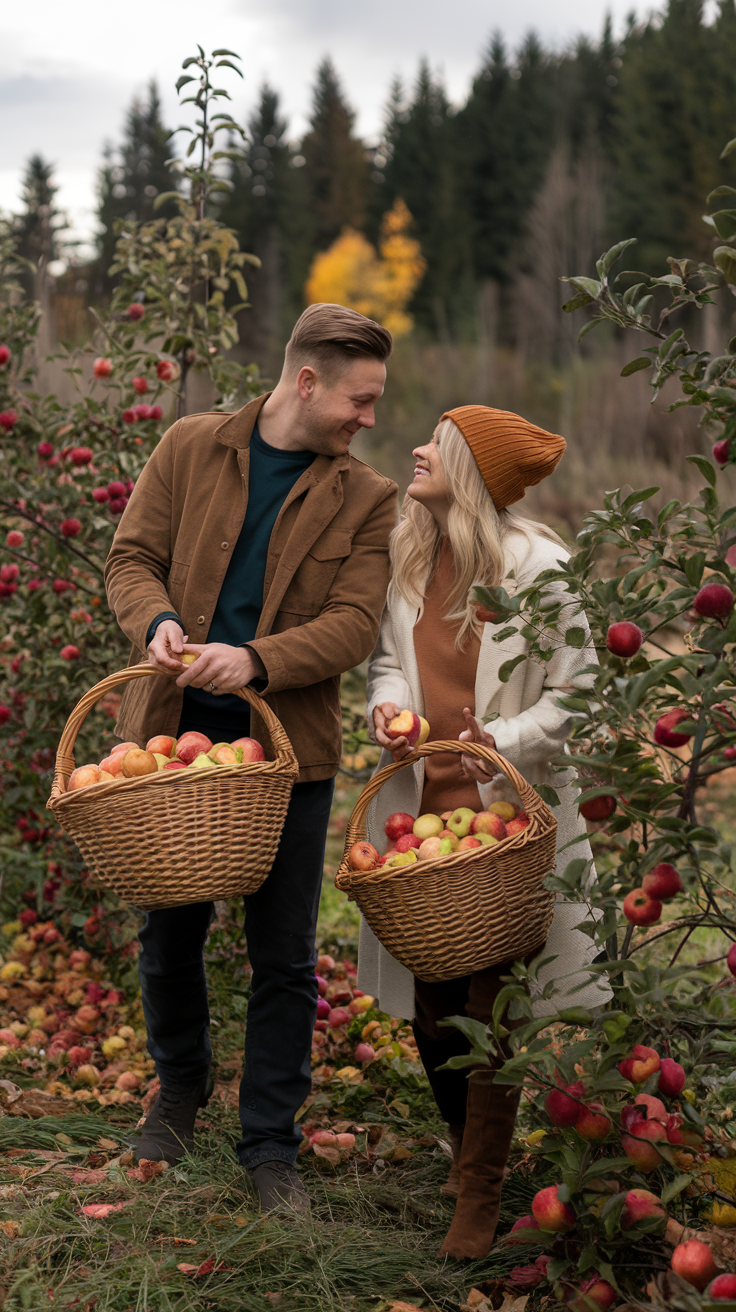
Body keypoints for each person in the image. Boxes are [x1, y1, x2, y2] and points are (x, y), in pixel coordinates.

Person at [104, 303, 398, 1212]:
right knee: (168, 934)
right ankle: (179, 1089)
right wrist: (157, 622)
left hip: (284, 753)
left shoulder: (367, 498)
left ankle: (270, 1145)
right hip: (167, 736)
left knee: (285, 954)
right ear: (305, 381)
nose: (370, 418)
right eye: (360, 398)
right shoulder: (193, 448)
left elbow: (352, 624)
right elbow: (132, 558)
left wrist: (260, 661)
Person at [358, 405, 609, 1260]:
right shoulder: (410, 559)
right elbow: (391, 661)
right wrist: (388, 706)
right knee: (433, 1002)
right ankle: (473, 1147)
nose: (418, 449)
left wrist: (494, 741)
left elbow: (577, 695)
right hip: (425, 814)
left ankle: (479, 1188)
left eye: (439, 442)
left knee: (490, 1002)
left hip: (510, 819)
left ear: (472, 472)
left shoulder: (544, 570)